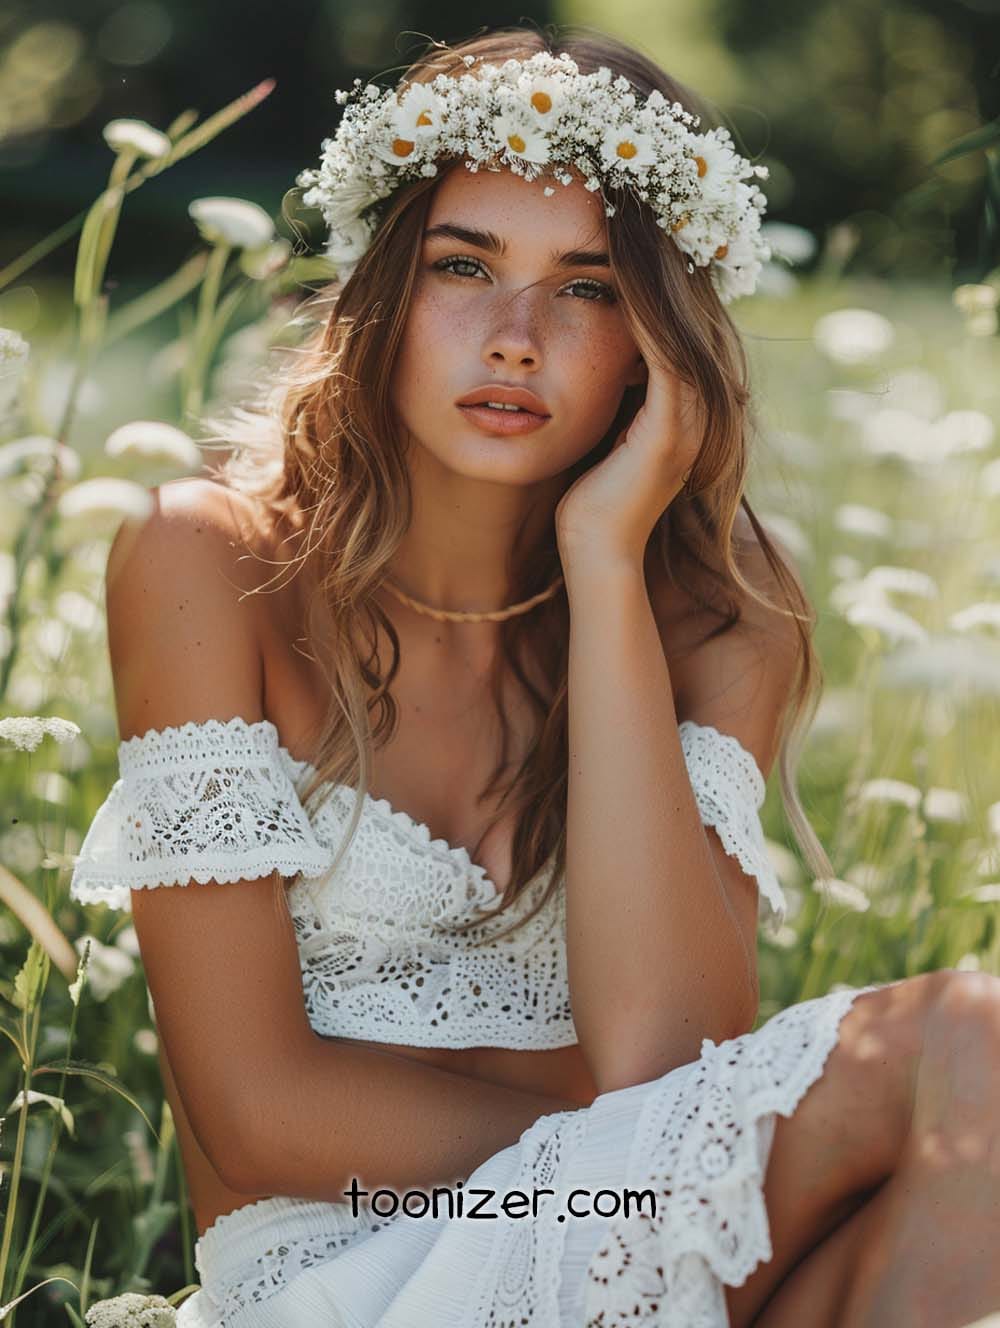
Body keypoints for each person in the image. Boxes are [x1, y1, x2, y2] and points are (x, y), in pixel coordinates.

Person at [69, 24, 1000, 1328]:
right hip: (345, 1279)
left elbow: (670, 1061)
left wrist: (608, 566)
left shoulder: (722, 618)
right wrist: (612, 1139)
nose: (516, 336)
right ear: (387, 287)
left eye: (590, 287)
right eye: (465, 267)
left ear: (657, 341)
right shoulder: (206, 560)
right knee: (971, 1043)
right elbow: (258, 1113)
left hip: (626, 1256)